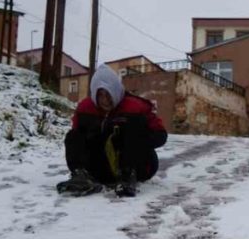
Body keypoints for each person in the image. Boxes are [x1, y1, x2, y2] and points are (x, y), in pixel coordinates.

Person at [56, 64, 168, 197]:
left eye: (109, 94)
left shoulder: (135, 107)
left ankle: (127, 175)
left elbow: (161, 136)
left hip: (139, 166)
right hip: (100, 168)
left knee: (132, 127)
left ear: (115, 90)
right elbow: (76, 139)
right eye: (100, 95)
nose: (105, 100)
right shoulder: (85, 109)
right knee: (73, 135)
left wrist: (134, 140)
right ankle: (82, 176)